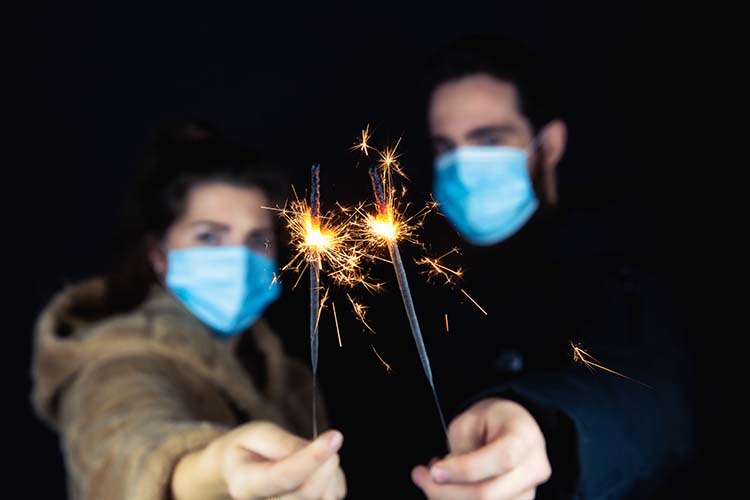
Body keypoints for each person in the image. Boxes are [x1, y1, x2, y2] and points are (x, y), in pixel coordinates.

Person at [408, 35, 695, 499]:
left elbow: (650, 402)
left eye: (488, 141)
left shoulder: (617, 260)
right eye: (447, 147)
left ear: (549, 143)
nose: (463, 166)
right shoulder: (435, 278)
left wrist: (542, 427)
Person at [30, 122, 347, 500]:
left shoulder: (290, 380)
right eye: (209, 237)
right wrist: (216, 469)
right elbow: (129, 447)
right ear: (158, 256)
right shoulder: (114, 362)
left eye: (256, 240)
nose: (238, 258)